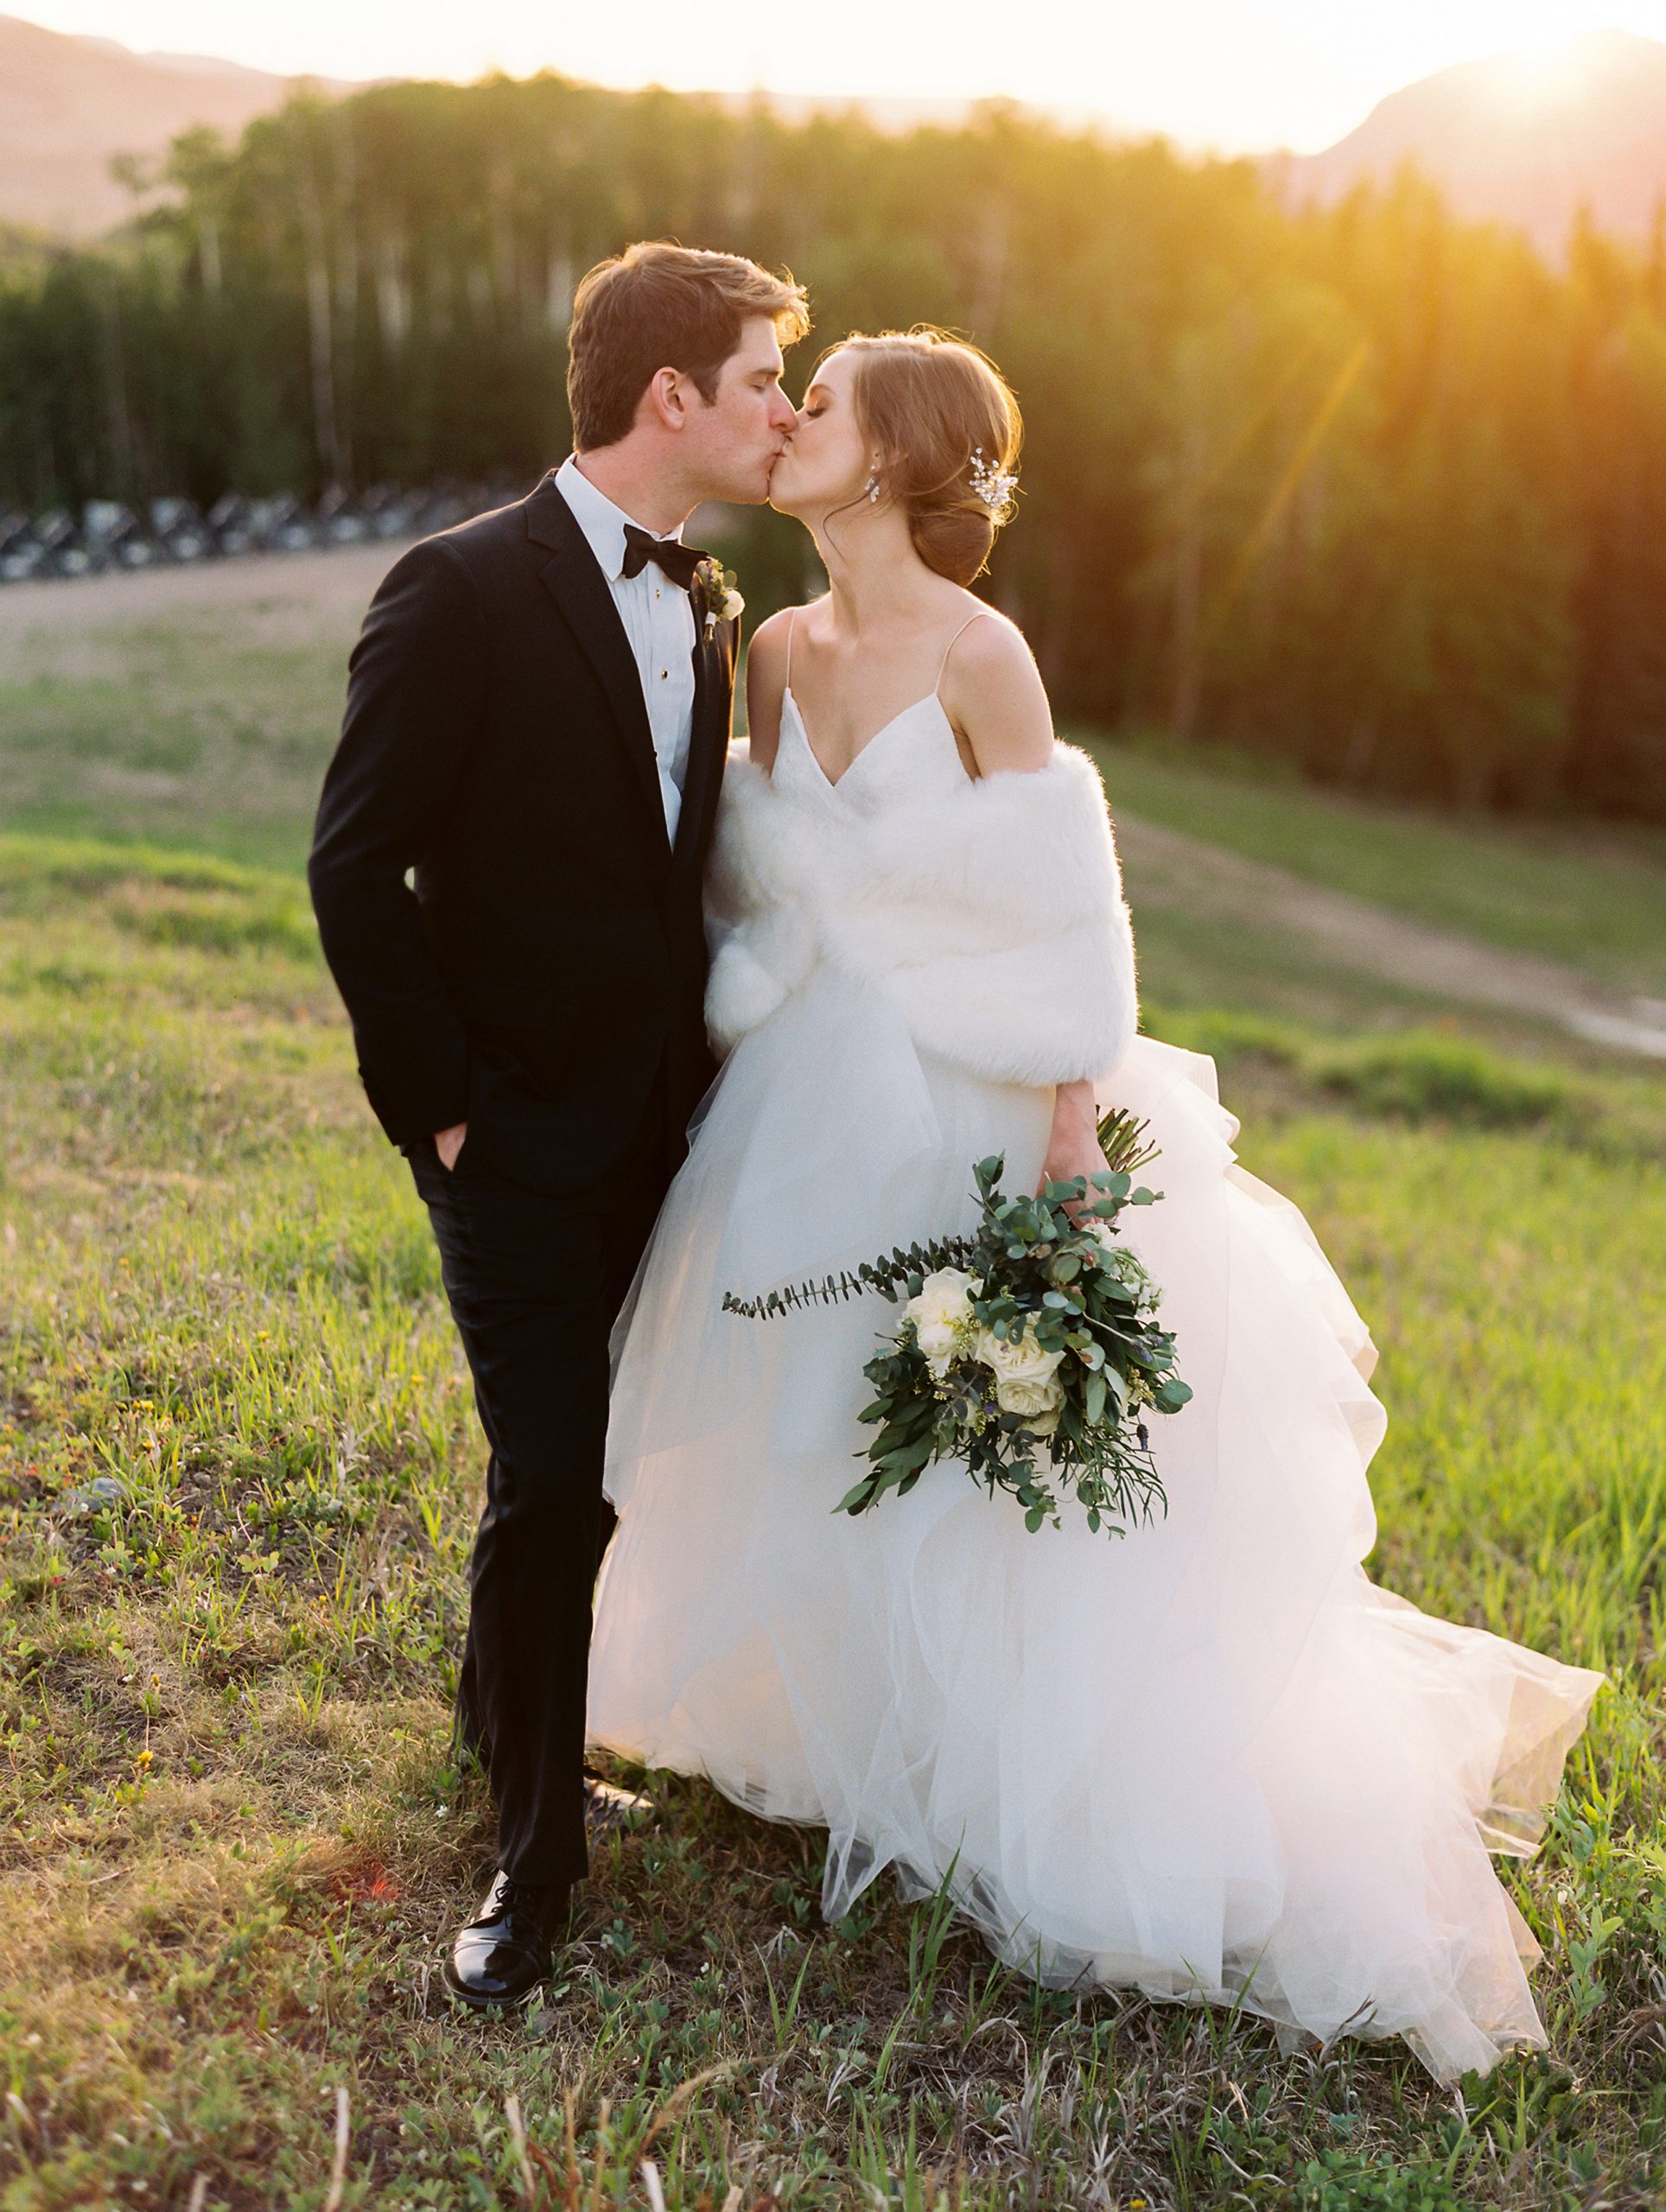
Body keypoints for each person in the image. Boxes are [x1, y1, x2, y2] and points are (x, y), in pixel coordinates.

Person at [584, 326, 1605, 2082]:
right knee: (826, 1407)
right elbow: (760, 898)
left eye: (821, 403)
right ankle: (842, 1738)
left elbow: (1070, 934)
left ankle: (1029, 1789)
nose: (791, 416)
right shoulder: (778, 649)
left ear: (899, 457)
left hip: (978, 1097)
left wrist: (1069, 1149)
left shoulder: (986, 658)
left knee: (989, 1453)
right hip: (811, 1084)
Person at [308, 241, 809, 2009]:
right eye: (763, 380)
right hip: (505, 1134)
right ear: (670, 396)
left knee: (575, 1471)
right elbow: (354, 864)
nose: (786, 411)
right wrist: (442, 1113)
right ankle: (535, 1861)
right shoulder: (455, 589)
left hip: (658, 1125)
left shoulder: (707, 602)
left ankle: (489, 1716)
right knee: (554, 1482)